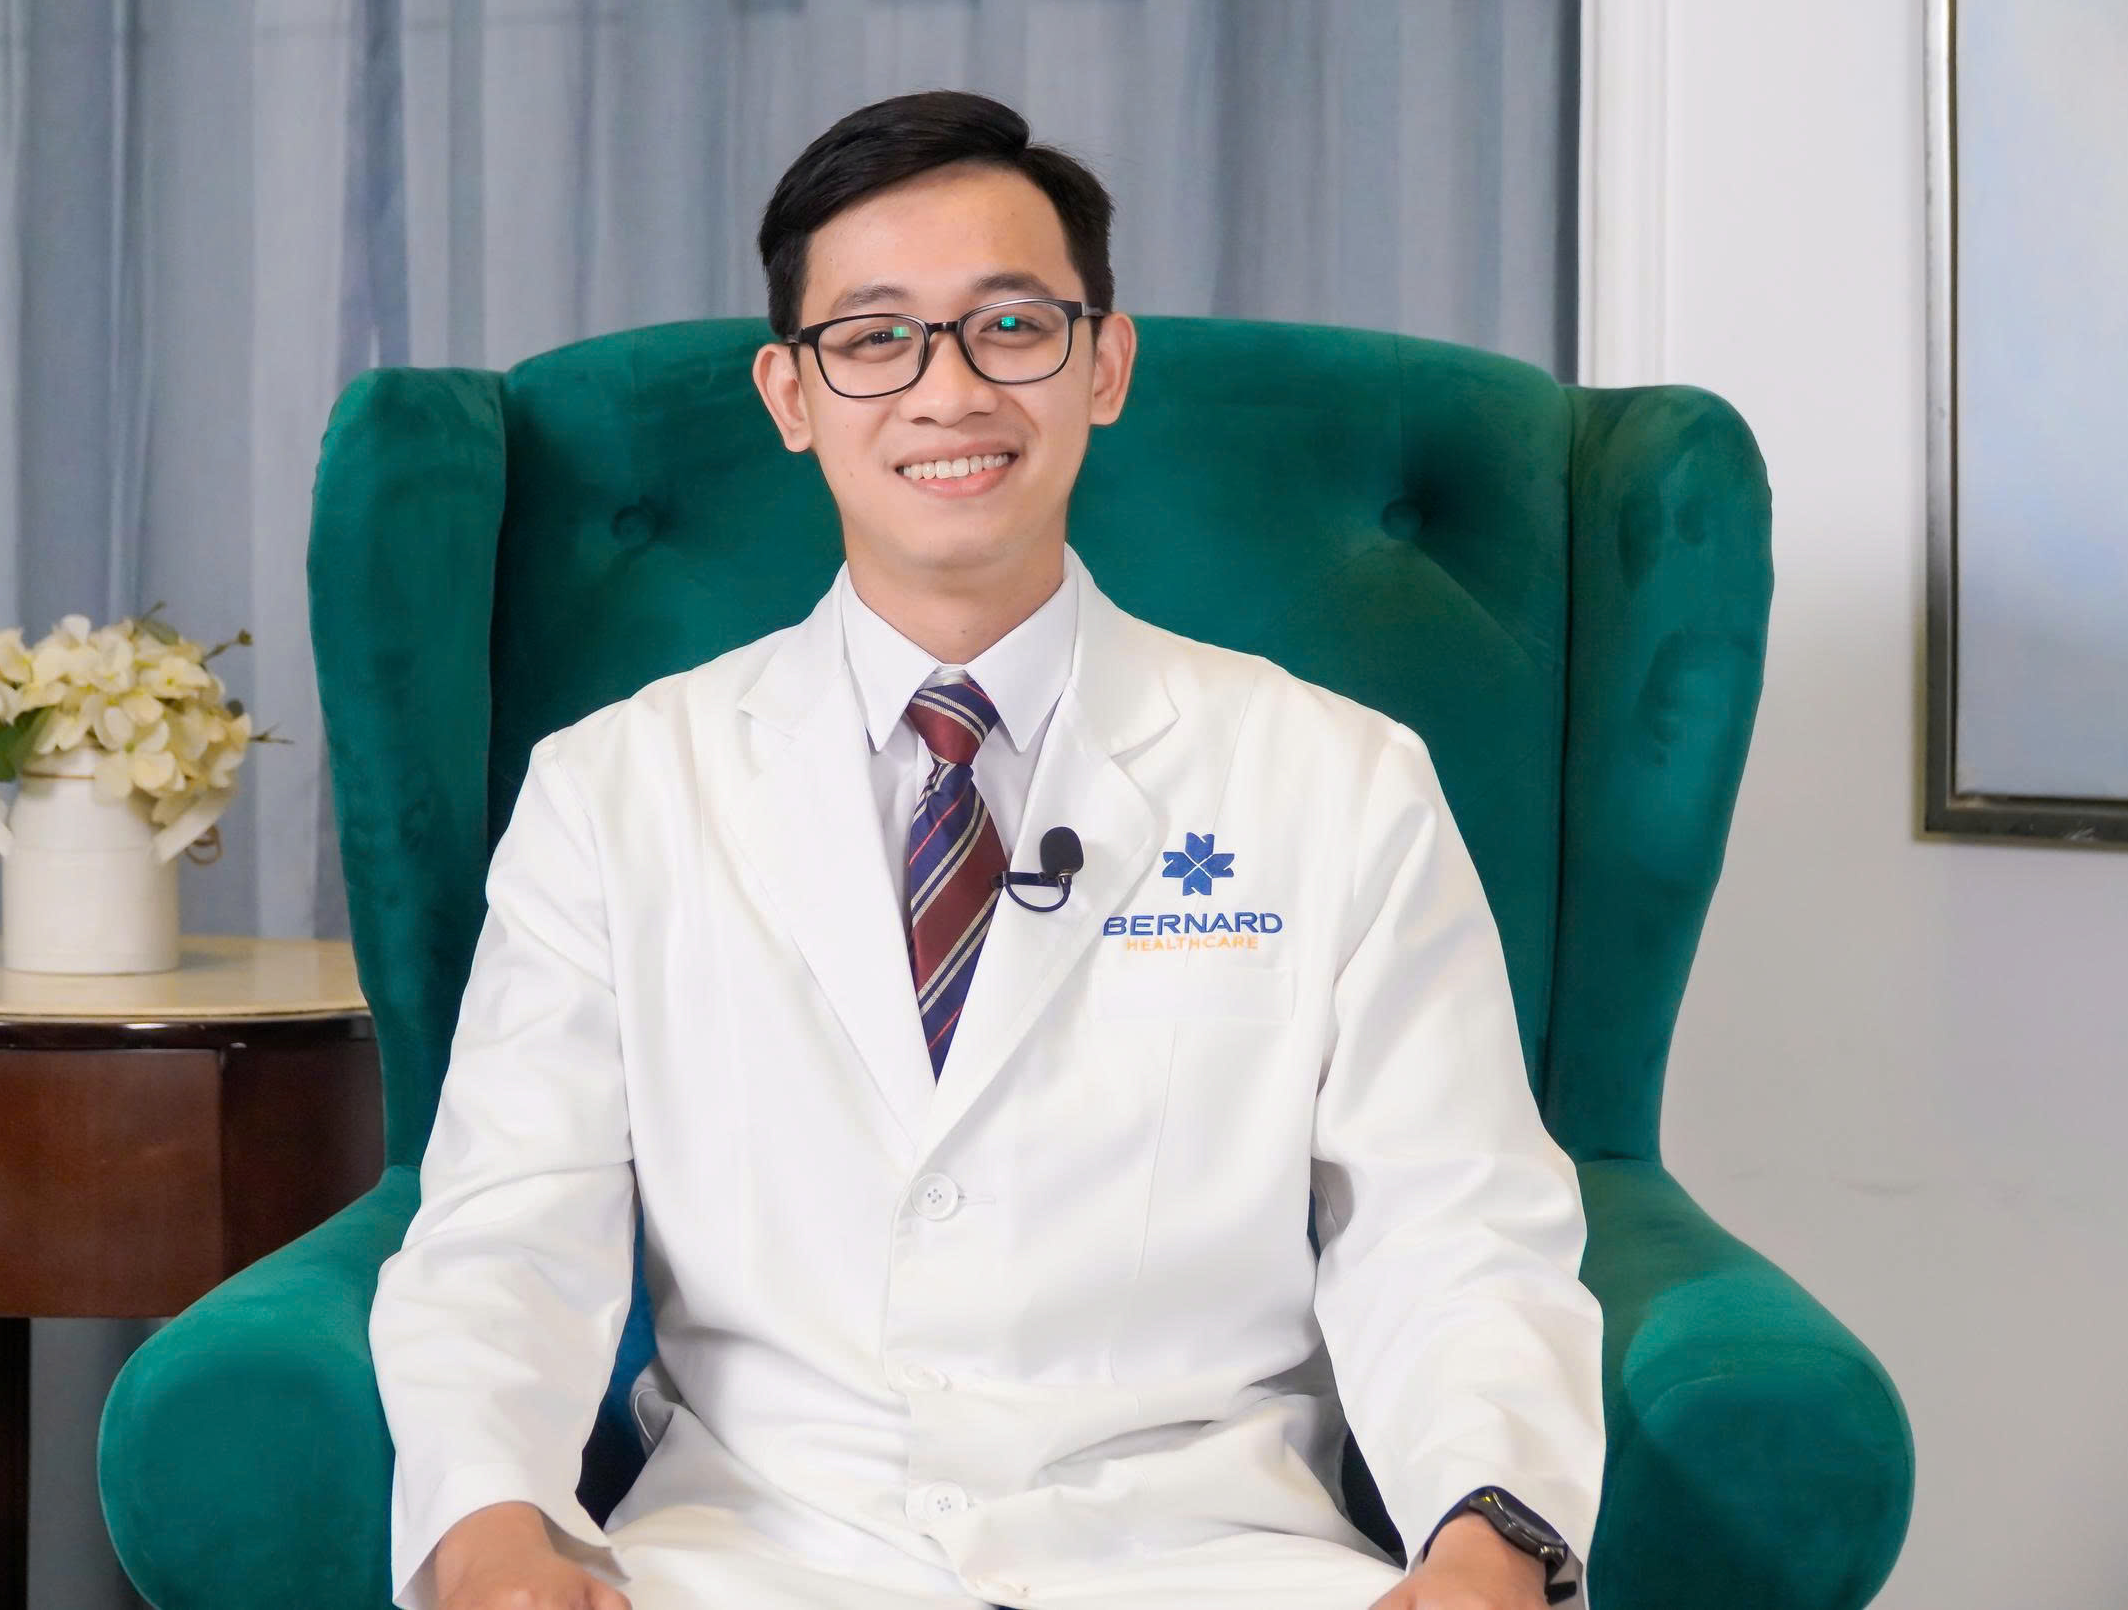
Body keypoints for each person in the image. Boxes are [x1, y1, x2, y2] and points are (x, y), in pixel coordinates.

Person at [369, 90, 1603, 1610]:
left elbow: (1453, 1226)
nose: (947, 391)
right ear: (790, 393)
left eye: (1012, 326)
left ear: (1105, 364)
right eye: (875, 337)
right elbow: (509, 1230)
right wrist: (493, 1529)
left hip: (1208, 1563)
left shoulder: (1337, 781)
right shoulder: (615, 792)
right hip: (760, 1562)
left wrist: (1487, 1536)